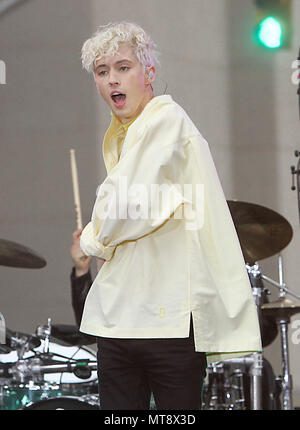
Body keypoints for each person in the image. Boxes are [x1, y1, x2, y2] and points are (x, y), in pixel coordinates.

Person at [78, 22, 262, 410]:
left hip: (165, 324)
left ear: (149, 73)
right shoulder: (125, 135)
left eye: (123, 67)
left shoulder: (166, 119)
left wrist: (91, 239)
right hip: (122, 318)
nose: (112, 79)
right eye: (102, 71)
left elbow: (126, 207)